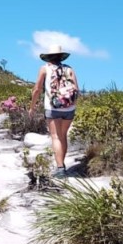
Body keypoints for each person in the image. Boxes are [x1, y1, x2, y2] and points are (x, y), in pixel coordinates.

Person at [29, 45, 80, 179]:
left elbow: (37, 89)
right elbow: (76, 89)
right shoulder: (69, 69)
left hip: (52, 108)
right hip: (69, 108)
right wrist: (71, 104)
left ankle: (60, 169)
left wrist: (32, 106)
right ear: (61, 56)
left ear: (48, 57)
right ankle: (61, 165)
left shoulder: (45, 69)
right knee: (63, 136)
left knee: (55, 137)